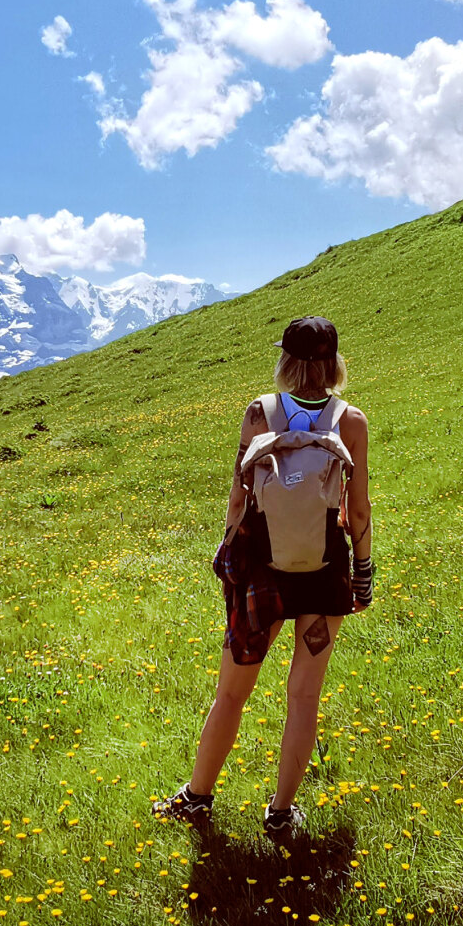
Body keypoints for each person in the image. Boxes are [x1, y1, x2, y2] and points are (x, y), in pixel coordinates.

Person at [154, 315, 373, 833]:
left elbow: (239, 497)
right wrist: (363, 573)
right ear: (334, 363)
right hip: (324, 571)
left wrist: (229, 556)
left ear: (287, 361)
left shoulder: (260, 413)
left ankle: (197, 797)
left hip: (263, 573)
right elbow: (358, 509)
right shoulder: (351, 421)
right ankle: (280, 813)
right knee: (304, 695)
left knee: (232, 693)